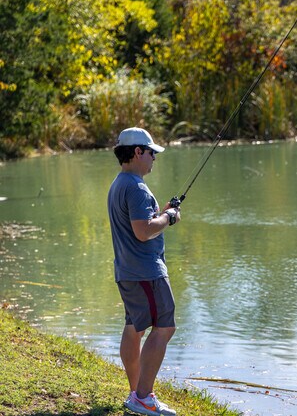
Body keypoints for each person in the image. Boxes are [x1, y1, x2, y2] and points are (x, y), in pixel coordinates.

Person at [107, 127, 181, 416]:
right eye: (151, 153)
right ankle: (142, 397)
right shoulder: (136, 187)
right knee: (164, 327)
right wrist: (169, 218)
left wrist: (161, 214)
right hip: (145, 273)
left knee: (135, 327)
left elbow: (141, 223)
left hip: (127, 270)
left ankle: (136, 392)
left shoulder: (119, 183)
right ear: (138, 152)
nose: (154, 158)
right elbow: (143, 231)